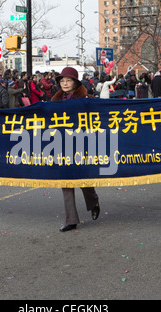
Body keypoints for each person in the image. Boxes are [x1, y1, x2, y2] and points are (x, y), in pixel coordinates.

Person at [51, 67, 101, 232]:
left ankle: (93, 202)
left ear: (75, 82)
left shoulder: (87, 99)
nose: (64, 83)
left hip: (81, 144)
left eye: (68, 80)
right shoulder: (55, 101)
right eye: (62, 81)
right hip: (62, 144)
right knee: (66, 181)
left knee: (83, 179)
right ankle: (71, 219)